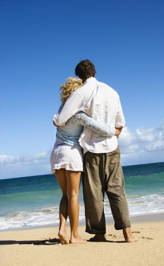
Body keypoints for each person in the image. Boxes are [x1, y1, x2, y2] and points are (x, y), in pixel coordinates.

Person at [54, 60, 133, 242]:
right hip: (112, 146)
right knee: (117, 190)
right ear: (95, 71)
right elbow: (120, 123)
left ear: (79, 75)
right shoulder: (112, 91)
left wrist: (57, 120)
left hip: (90, 149)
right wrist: (113, 134)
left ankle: (99, 234)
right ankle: (127, 234)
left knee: (93, 193)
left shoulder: (81, 92)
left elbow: (61, 119)